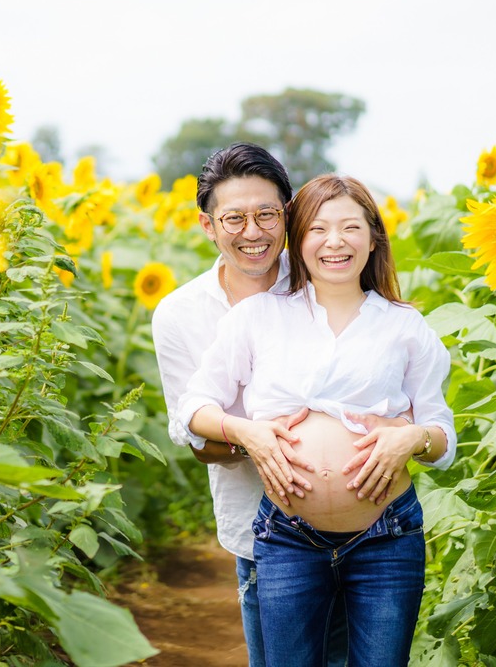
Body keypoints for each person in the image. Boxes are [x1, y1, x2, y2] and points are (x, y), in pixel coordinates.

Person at [178, 174, 457, 667]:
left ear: (374, 240)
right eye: (318, 229)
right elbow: (194, 407)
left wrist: (412, 438)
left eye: (351, 227)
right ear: (297, 239)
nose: (335, 242)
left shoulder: (405, 325)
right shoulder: (258, 318)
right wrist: (247, 433)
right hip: (289, 536)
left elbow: (442, 437)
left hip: (386, 537)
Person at [153, 143, 358, 667]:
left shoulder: (327, 281)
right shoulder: (180, 315)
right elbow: (199, 442)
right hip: (260, 529)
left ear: (287, 214)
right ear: (207, 225)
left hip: (360, 520)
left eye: (267, 214)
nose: (252, 232)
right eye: (234, 218)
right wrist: (256, 439)